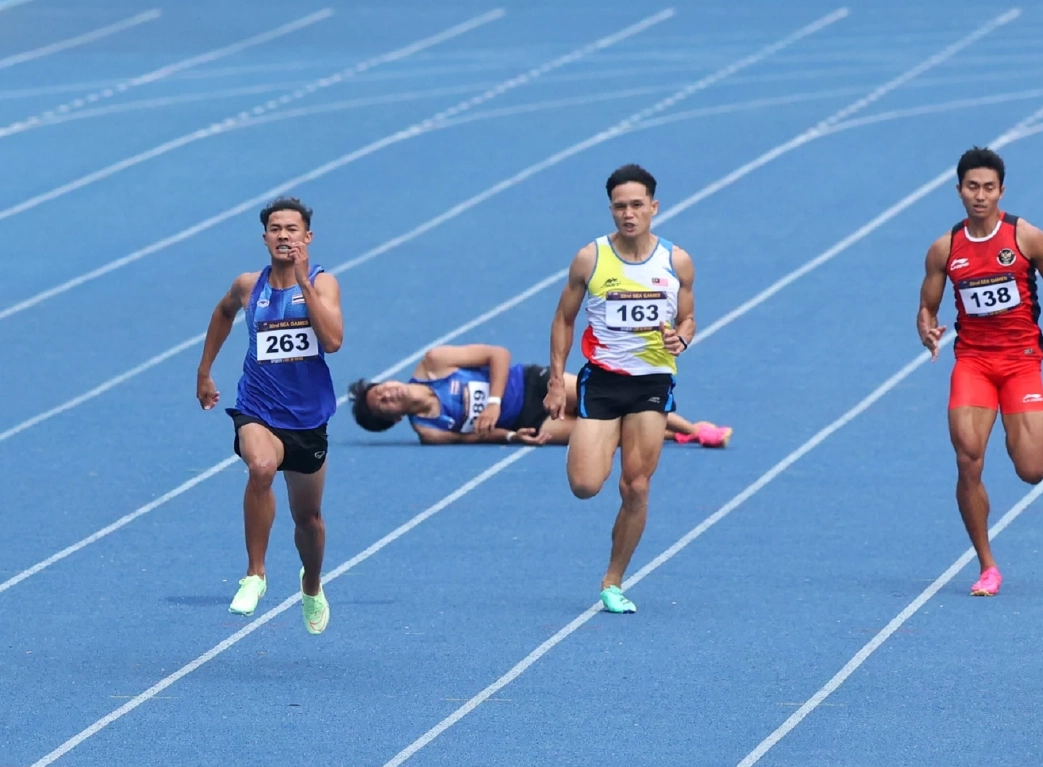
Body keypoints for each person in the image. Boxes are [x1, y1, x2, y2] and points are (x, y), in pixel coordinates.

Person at [917, 147, 1043, 597]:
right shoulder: (945, 248)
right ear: (959, 190)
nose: (979, 196)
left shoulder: (1026, 239)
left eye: (988, 187)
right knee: (967, 458)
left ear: (1001, 190)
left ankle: (1010, 424)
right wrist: (926, 329)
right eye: (971, 187)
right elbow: (926, 306)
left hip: (1021, 363)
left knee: (1032, 470)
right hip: (974, 363)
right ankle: (987, 565)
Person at [544, 164, 696, 614]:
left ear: (654, 206)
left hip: (651, 384)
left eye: (636, 205)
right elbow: (563, 320)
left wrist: (682, 337)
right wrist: (557, 380)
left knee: (637, 487)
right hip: (603, 382)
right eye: (619, 206)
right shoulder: (590, 259)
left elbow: (688, 316)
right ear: (610, 209)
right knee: (586, 485)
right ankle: (603, 439)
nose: (628, 214)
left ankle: (613, 580)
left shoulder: (676, 262)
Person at [195, 196, 342, 633]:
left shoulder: (323, 283)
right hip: (258, 407)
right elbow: (223, 312)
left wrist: (303, 285)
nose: (283, 235)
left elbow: (332, 341)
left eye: (292, 229)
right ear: (265, 238)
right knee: (260, 468)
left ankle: (312, 584)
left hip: (308, 419)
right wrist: (205, 371)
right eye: (276, 229)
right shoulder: (247, 286)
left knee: (309, 520)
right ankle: (255, 574)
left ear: (307, 237)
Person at [347, 342, 731, 448]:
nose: (390, 393)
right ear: (393, 418)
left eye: (383, 389)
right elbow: (477, 438)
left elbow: (498, 355)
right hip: (531, 420)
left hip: (531, 384)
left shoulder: (435, 363)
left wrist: (494, 402)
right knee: (608, 434)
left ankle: (697, 430)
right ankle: (673, 434)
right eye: (384, 403)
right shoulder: (429, 430)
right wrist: (513, 435)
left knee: (614, 400)